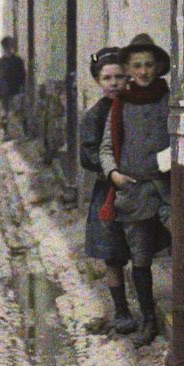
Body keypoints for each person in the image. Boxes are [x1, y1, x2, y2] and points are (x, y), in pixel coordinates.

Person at [97, 31, 173, 347]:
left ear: (158, 68)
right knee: (140, 258)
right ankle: (148, 319)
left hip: (167, 191)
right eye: (137, 66)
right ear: (128, 69)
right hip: (133, 192)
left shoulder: (171, 100)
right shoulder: (119, 106)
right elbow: (105, 148)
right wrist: (114, 174)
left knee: (182, 243)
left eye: (149, 65)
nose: (143, 72)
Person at [80, 47, 135, 334]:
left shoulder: (136, 109)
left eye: (119, 77)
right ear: (99, 81)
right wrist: (111, 170)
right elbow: (87, 155)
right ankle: (122, 310)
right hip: (109, 193)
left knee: (139, 248)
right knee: (113, 254)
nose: (114, 83)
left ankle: (146, 306)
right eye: (108, 78)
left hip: (136, 188)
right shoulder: (96, 115)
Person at [0, 36, 27, 130]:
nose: (8, 49)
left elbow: (23, 77)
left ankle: (18, 132)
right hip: (4, 92)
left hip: (15, 91)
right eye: (6, 47)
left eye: (9, 46)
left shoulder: (18, 61)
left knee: (17, 112)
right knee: (5, 113)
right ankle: (6, 132)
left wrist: (22, 90)